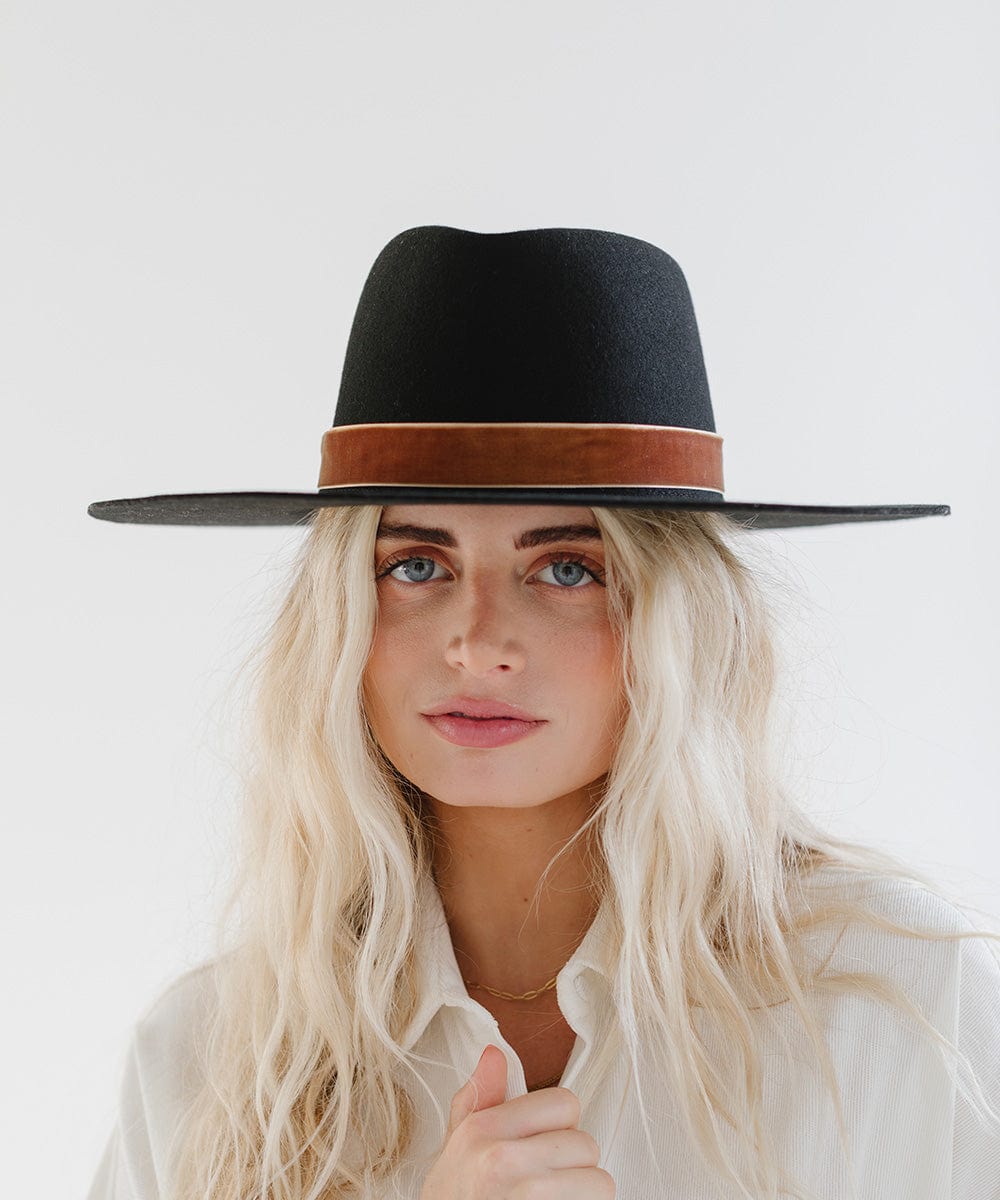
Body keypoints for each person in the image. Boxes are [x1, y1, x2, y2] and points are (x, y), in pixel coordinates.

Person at [85, 226, 1000, 1200]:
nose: (478, 643)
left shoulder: (905, 1006)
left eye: (567, 569)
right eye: (416, 565)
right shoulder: (208, 1058)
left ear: (680, 621)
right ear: (339, 615)